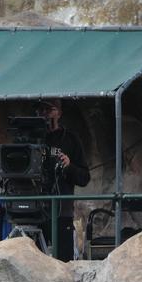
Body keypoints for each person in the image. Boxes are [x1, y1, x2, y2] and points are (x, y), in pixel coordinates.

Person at [35, 99, 89, 261]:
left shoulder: (70, 139)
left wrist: (69, 166)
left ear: (59, 112)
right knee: (32, 261)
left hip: (61, 211)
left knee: (64, 261)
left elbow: (84, 177)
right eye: (40, 110)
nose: (44, 114)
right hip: (34, 211)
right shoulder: (29, 138)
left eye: (49, 109)